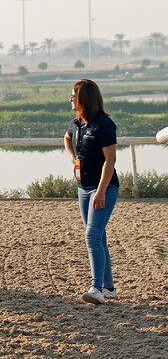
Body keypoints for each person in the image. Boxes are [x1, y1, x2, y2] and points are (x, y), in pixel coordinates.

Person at [64, 79, 120, 305]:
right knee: (100, 236)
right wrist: (73, 159)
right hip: (83, 188)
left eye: (73, 96)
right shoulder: (77, 123)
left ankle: (96, 288)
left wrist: (101, 192)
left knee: (92, 236)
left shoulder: (104, 125)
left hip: (103, 188)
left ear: (84, 98)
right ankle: (109, 288)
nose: (70, 99)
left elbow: (110, 160)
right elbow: (67, 139)